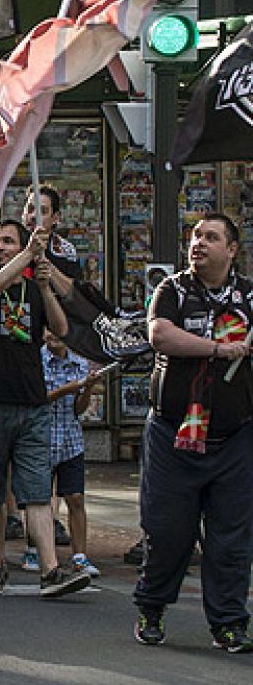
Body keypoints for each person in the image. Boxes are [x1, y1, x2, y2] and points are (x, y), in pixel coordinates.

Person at [134, 213, 253, 652]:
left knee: (231, 540)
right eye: (196, 236)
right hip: (173, 436)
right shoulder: (172, 290)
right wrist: (219, 349)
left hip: (234, 439)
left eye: (211, 237)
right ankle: (151, 608)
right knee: (168, 533)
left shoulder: (249, 297)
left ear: (232, 250)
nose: (198, 243)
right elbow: (161, 336)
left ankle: (229, 624)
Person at [0, 220, 90, 599]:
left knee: (37, 490)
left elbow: (60, 327)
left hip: (32, 403)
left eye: (8, 241)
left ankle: (50, 570)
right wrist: (27, 254)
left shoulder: (33, 286)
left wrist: (44, 286)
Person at [42, 330, 103, 580]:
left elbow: (79, 408)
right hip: (41, 440)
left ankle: (79, 556)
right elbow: (38, 399)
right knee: (39, 501)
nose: (54, 335)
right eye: (49, 330)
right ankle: (38, 552)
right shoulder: (36, 361)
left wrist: (86, 390)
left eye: (59, 331)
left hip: (70, 440)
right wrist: (67, 389)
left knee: (75, 497)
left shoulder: (79, 363)